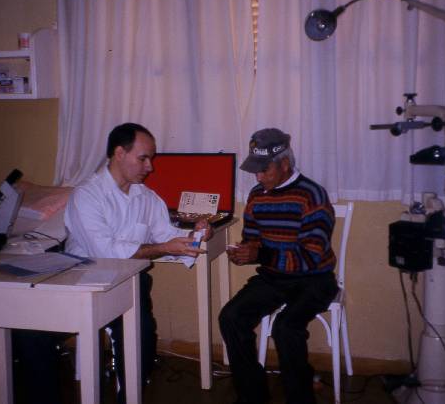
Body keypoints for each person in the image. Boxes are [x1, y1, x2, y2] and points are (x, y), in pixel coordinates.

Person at [64, 122, 212, 402]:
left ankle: (130, 396)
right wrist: (163, 247)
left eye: (150, 159)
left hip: (130, 281)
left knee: (144, 341)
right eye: (143, 158)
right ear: (119, 153)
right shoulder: (87, 195)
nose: (150, 167)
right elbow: (104, 252)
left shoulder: (146, 197)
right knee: (129, 337)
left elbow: (166, 236)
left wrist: (196, 235)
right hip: (88, 281)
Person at [219, 128, 338, 404]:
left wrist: (261, 255)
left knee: (286, 328)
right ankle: (253, 396)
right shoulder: (257, 195)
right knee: (231, 317)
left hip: (315, 279)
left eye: (264, 170)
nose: (258, 177)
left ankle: (301, 398)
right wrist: (245, 252)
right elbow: (254, 241)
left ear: (285, 164)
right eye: (255, 171)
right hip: (274, 278)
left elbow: (310, 257)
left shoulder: (312, 195)